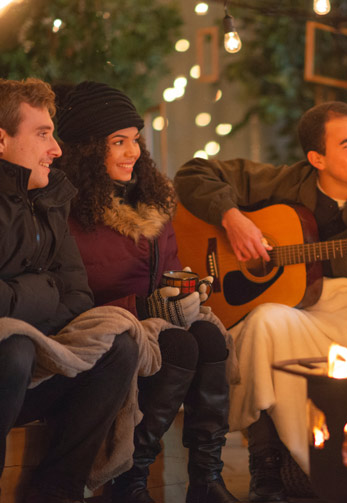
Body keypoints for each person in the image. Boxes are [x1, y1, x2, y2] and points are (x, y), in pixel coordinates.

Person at [174, 101, 347, 502]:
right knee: (263, 322)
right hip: (293, 315)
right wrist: (232, 217)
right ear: (317, 158)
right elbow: (193, 173)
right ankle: (266, 461)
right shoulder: (280, 183)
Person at [54, 81, 238, 503]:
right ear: (86, 148)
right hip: (102, 330)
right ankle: (129, 482)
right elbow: (72, 301)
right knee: (180, 346)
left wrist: (187, 289)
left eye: (135, 140)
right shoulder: (66, 210)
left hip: (151, 319)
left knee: (209, 336)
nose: (133, 152)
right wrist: (146, 306)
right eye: (118, 142)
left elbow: (164, 274)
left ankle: (207, 478)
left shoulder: (151, 199)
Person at [0, 78, 139, 503]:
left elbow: (78, 299)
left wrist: (25, 293)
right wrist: (45, 290)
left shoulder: (50, 199)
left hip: (32, 375)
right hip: (9, 366)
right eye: (42, 134)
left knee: (120, 344)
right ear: (1, 140)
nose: (56, 148)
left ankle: (57, 489)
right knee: (15, 347)